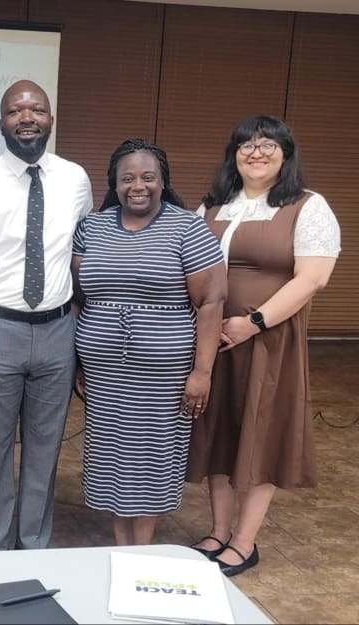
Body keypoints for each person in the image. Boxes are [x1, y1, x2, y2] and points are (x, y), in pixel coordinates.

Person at [186, 116, 340, 577]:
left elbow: (313, 278)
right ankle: (217, 531)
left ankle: (244, 541)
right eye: (246, 145)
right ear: (234, 155)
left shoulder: (308, 206)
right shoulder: (214, 205)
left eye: (268, 144)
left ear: (286, 154)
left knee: (261, 436)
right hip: (215, 342)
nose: (256, 152)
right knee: (218, 434)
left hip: (270, 342)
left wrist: (253, 322)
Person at [0, 79, 92, 551]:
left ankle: (33, 543)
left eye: (37, 109)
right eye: (16, 111)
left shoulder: (75, 180)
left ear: (50, 119)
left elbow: (80, 254)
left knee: (45, 448)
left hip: (57, 332)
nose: (26, 117)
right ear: (2, 124)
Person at [71, 139, 226, 546]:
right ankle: (123, 547)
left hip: (162, 377)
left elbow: (211, 303)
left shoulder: (186, 227)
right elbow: (77, 297)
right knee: (111, 458)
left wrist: (202, 372)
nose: (137, 186)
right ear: (114, 184)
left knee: (148, 461)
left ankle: (139, 552)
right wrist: (79, 363)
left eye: (147, 177)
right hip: (104, 375)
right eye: (127, 178)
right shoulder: (92, 226)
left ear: (163, 182)